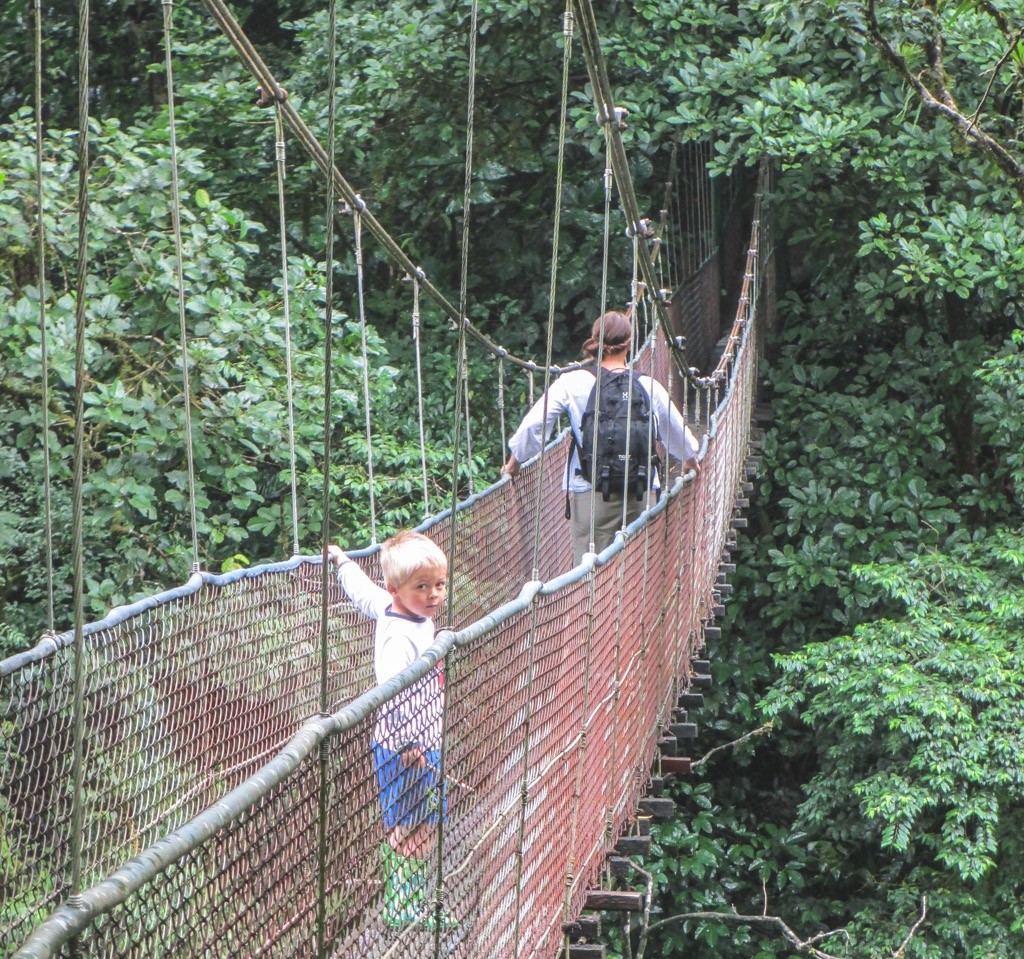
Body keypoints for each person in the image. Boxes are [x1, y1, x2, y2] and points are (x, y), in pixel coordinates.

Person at [327, 531, 455, 930]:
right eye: (422, 587)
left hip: (423, 740)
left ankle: (410, 901)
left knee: (426, 824)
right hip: (406, 746)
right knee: (408, 825)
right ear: (396, 588)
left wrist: (342, 562)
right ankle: (403, 904)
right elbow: (391, 692)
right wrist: (408, 743)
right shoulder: (399, 636)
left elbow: (362, 592)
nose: (434, 595)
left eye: (439, 584)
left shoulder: (398, 609)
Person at [501, 310, 700, 565]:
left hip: (591, 492)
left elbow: (534, 424)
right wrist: (690, 460)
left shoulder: (572, 383)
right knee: (637, 574)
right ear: (629, 345)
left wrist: (514, 463)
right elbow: (677, 431)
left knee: (589, 579)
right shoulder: (649, 386)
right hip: (641, 492)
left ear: (595, 340)